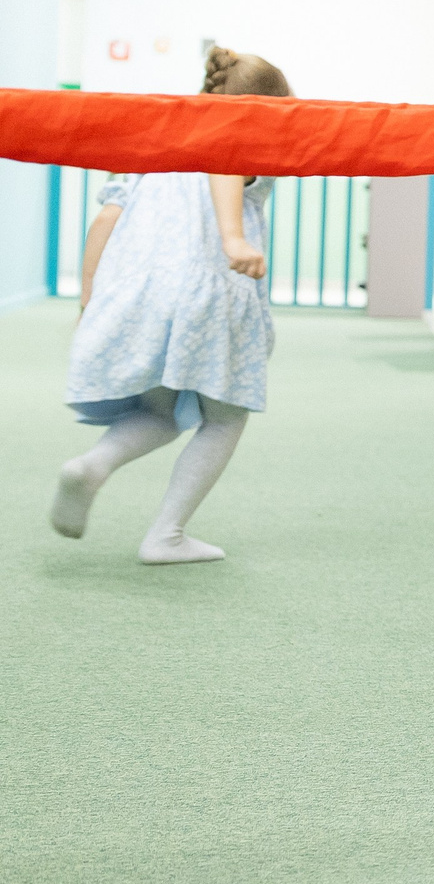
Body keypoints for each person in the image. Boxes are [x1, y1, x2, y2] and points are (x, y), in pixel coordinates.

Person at [50, 45, 292, 564]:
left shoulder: (153, 151)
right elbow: (224, 162)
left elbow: (105, 221)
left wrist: (89, 298)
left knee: (160, 413)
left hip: (139, 291)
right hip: (210, 289)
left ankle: (91, 466)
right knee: (225, 417)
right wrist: (232, 238)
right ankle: (167, 535)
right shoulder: (240, 141)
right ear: (263, 111)